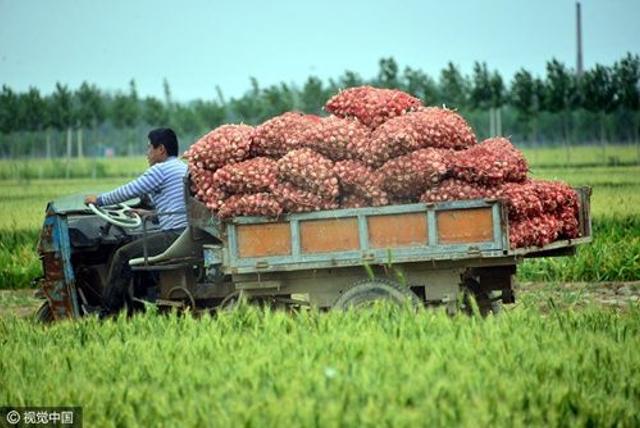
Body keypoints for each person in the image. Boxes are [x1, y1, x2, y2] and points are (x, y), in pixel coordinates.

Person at [85, 128, 188, 315]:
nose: (146, 153)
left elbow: (129, 190)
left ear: (161, 150)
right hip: (183, 233)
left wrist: (99, 200)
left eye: (149, 148)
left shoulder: (161, 170)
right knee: (135, 249)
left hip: (174, 235)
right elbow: (176, 207)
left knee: (122, 255)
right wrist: (147, 213)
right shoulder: (181, 167)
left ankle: (107, 314)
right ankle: (136, 307)